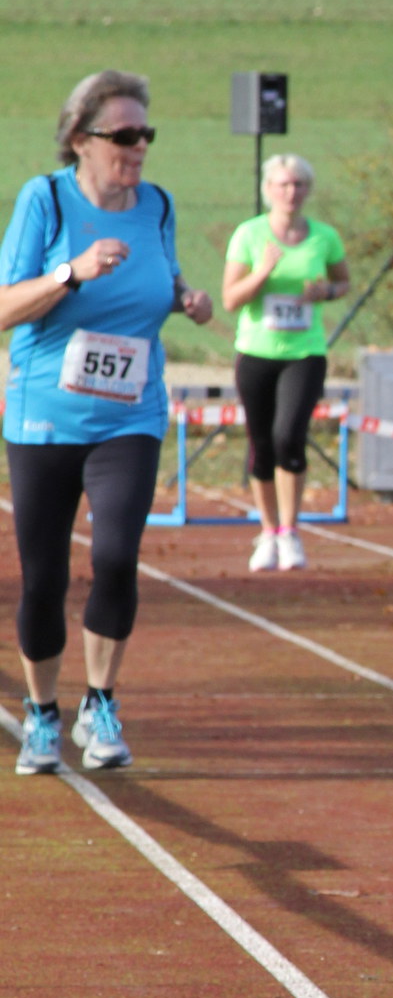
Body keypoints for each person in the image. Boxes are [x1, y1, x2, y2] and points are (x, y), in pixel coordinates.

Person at [0, 68, 213, 775]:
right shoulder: (45, 200)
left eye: (146, 133)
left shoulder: (157, 205)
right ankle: (42, 713)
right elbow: (4, 306)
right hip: (45, 417)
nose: (139, 145)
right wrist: (73, 272)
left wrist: (186, 297)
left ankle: (100, 702)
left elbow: (161, 276)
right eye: (123, 134)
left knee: (117, 556)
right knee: (44, 577)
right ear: (80, 140)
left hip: (131, 414)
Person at [221, 154, 350, 571]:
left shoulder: (324, 237)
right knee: (261, 444)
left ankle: (290, 531)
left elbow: (343, 282)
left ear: (308, 190)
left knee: (289, 436)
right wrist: (263, 272)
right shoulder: (249, 234)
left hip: (305, 353)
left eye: (298, 184)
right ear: (268, 190)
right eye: (283, 185)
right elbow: (230, 299)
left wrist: (325, 293)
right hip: (257, 351)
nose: (291, 192)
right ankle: (268, 531)